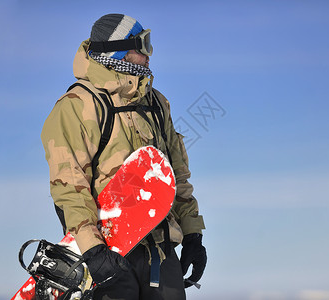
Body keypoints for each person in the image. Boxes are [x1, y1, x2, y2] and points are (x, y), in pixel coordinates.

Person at [41, 13, 206, 300]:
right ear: (117, 52)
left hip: (161, 252)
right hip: (110, 255)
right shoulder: (77, 107)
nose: (148, 54)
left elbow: (175, 173)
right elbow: (70, 188)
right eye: (141, 46)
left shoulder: (156, 102)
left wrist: (192, 234)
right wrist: (93, 251)